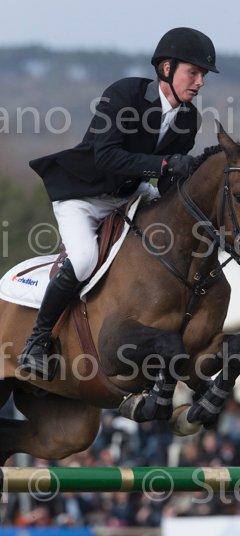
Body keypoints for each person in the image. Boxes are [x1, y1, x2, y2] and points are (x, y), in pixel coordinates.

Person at [19, 27, 219, 378]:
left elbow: (168, 182)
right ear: (167, 68)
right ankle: (36, 342)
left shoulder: (188, 119)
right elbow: (106, 156)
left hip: (129, 194)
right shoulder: (125, 95)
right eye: (194, 72)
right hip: (83, 195)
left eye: (203, 75)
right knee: (84, 259)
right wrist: (164, 165)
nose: (200, 82)